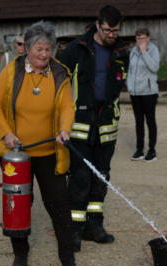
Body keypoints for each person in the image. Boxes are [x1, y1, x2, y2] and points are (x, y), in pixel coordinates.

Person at [0, 21, 79, 266]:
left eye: (48, 49)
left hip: (50, 153)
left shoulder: (60, 73)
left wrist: (65, 130)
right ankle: (20, 252)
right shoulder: (11, 70)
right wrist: (7, 134)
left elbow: (67, 107)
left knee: (59, 204)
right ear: (26, 48)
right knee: (19, 203)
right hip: (16, 155)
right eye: (39, 48)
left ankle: (67, 257)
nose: (44, 54)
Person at [60, 5, 129, 252]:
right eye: (108, 30)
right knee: (79, 177)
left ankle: (94, 225)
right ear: (97, 25)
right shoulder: (76, 49)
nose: (112, 35)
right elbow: (58, 82)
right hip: (80, 125)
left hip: (107, 125)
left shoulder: (122, 51)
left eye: (116, 31)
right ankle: (74, 230)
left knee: (101, 176)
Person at [127, 28, 160, 162]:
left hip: (149, 92)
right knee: (138, 122)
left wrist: (144, 53)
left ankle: (152, 151)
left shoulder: (153, 50)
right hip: (135, 93)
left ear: (148, 38)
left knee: (150, 121)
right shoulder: (133, 51)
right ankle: (139, 150)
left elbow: (154, 67)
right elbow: (130, 69)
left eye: (142, 38)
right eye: (138, 38)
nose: (140, 41)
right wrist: (129, 85)